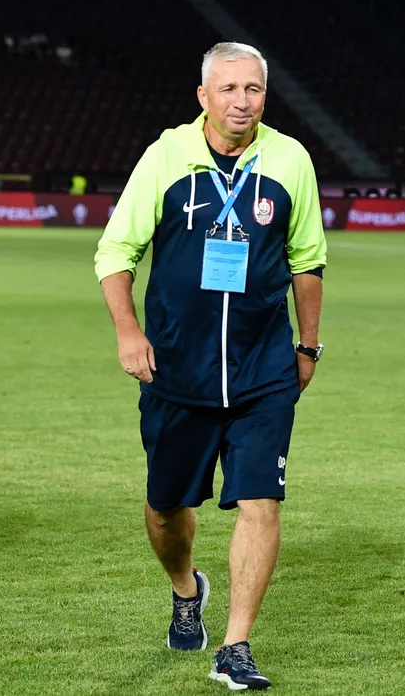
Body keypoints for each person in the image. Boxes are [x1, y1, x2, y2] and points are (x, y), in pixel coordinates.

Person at [93, 41, 326, 691]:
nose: (241, 102)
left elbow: (307, 260)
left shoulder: (290, 159)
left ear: (265, 97)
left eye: (253, 89)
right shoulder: (167, 155)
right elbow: (115, 252)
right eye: (228, 89)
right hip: (177, 370)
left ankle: (235, 646)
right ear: (203, 96)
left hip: (262, 368)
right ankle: (185, 586)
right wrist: (129, 332)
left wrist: (308, 346)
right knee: (165, 509)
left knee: (262, 501)